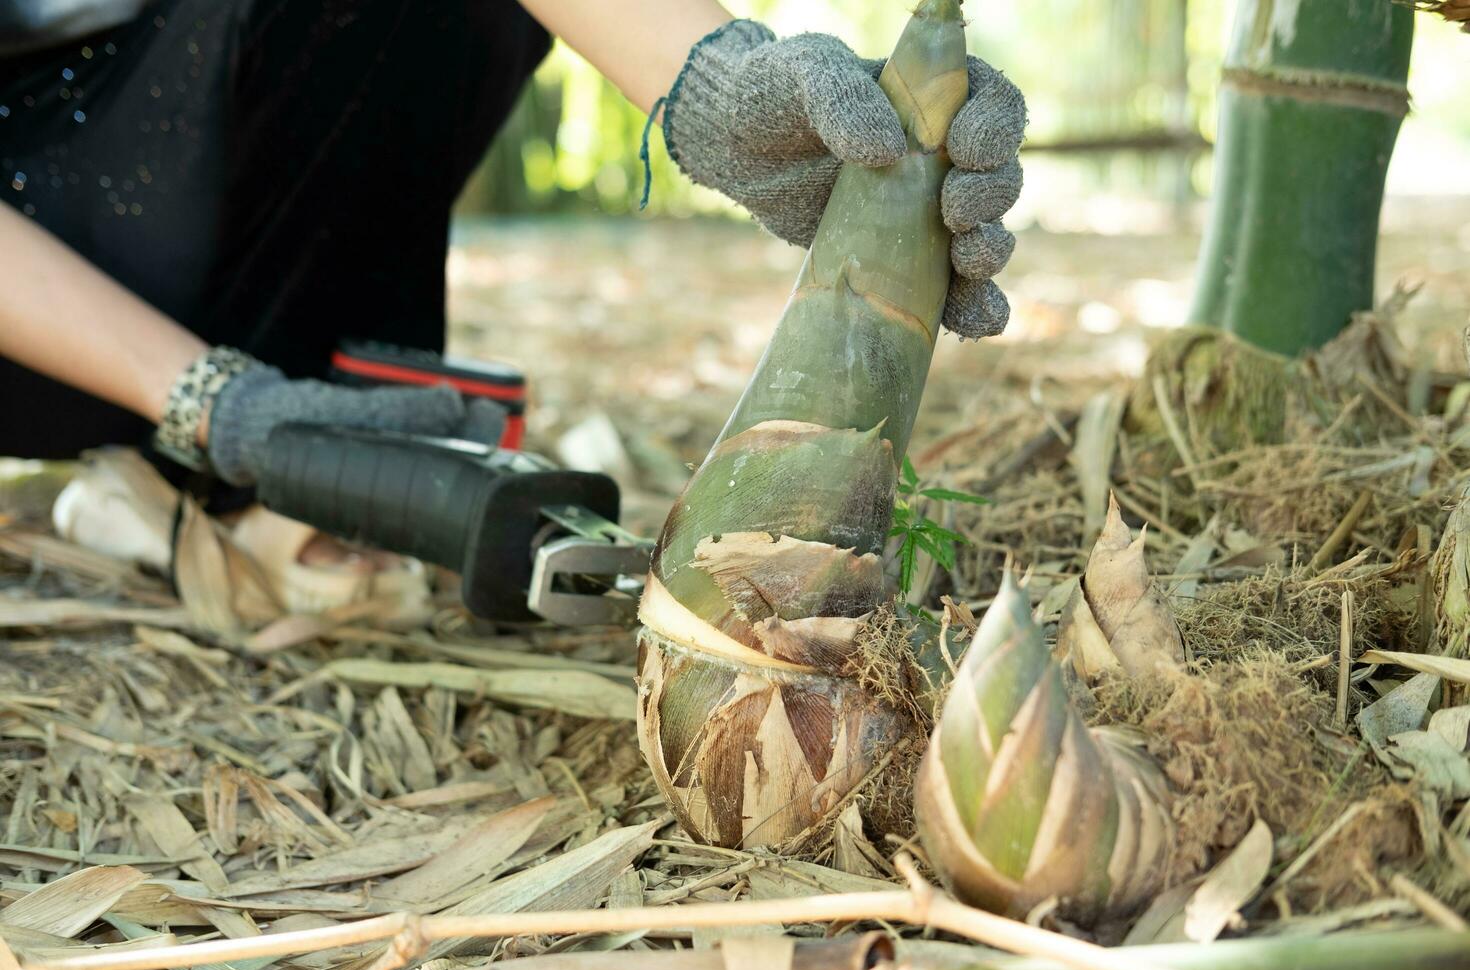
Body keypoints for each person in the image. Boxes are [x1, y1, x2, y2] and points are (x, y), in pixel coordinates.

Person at [0, 0, 1024, 606]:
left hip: (182, 101)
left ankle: (296, 450)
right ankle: (225, 453)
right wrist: (218, 403)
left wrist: (718, 91)